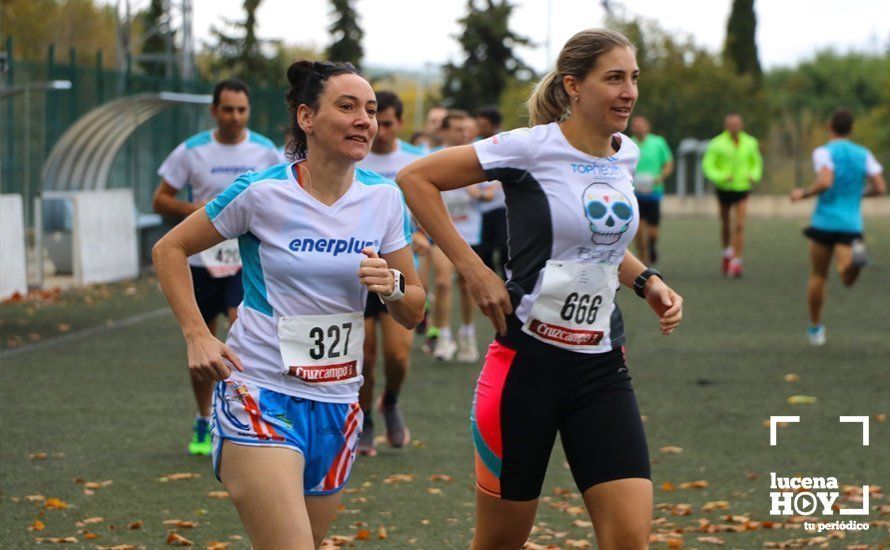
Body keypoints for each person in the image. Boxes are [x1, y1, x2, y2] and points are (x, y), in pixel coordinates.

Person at [398, 29, 683, 550]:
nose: (629, 92)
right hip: (524, 371)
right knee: (500, 544)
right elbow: (416, 178)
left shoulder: (627, 154)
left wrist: (648, 281)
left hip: (601, 368)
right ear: (573, 86)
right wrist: (474, 269)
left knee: (629, 541)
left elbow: (601, 244)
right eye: (614, 78)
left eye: (634, 79)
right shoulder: (530, 148)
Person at [152, 60, 424, 548]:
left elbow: (414, 309)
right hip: (260, 391)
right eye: (347, 107)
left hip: (339, 403)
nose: (365, 120)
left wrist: (393, 285)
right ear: (306, 118)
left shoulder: (385, 200)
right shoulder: (262, 193)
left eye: (370, 109)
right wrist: (196, 332)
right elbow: (168, 249)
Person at [152, 79, 281, 456]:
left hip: (245, 261)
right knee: (204, 343)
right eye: (228, 110)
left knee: (242, 327)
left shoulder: (265, 152)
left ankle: (244, 413)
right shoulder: (191, 151)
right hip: (200, 260)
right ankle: (202, 413)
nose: (235, 117)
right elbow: (160, 200)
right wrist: (197, 213)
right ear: (214, 111)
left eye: (242, 110)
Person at [354, 90, 426, 456]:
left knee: (397, 355)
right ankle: (364, 416)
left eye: (387, 122)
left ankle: (391, 401)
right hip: (358, 267)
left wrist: (426, 238)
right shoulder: (352, 154)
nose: (379, 131)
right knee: (365, 355)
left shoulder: (415, 160)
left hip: (398, 266)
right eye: (375, 121)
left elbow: (432, 205)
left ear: (399, 123)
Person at [790, 108, 885, 345]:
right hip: (851, 224)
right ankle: (854, 262)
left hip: (824, 222)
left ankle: (815, 329)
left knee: (819, 274)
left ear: (830, 127)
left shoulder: (824, 151)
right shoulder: (864, 154)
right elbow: (880, 187)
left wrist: (804, 193)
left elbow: (825, 180)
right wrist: (859, 194)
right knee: (846, 275)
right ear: (851, 129)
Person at [426, 110, 483, 362]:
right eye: (457, 129)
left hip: (470, 231)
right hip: (442, 232)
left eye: (465, 129)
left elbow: (491, 193)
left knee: (468, 286)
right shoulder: (431, 158)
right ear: (445, 131)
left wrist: (475, 191)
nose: (463, 133)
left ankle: (467, 335)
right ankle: (444, 337)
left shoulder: (479, 157)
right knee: (441, 282)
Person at [701, 113, 763, 277]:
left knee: (740, 225)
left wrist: (754, 175)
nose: (734, 126)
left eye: (737, 123)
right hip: (724, 188)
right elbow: (708, 165)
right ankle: (727, 252)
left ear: (741, 125)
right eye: (731, 124)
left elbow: (756, 162)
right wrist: (721, 176)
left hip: (742, 187)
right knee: (726, 223)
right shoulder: (716, 143)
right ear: (726, 125)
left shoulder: (750, 142)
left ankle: (737, 261)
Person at [630, 115, 673, 264]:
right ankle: (643, 260)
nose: (639, 128)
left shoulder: (658, 143)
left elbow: (668, 163)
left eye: (641, 125)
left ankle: (652, 246)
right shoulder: (628, 144)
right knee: (638, 230)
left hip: (653, 193)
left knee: (653, 232)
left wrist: (661, 177)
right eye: (636, 125)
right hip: (634, 194)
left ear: (647, 126)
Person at [475, 107, 509, 279]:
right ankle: (494, 282)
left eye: (484, 125)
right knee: (486, 252)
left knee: (504, 249)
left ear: (494, 126)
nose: (479, 128)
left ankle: (508, 284)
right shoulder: (476, 146)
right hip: (483, 210)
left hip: (503, 209)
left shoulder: (505, 144)